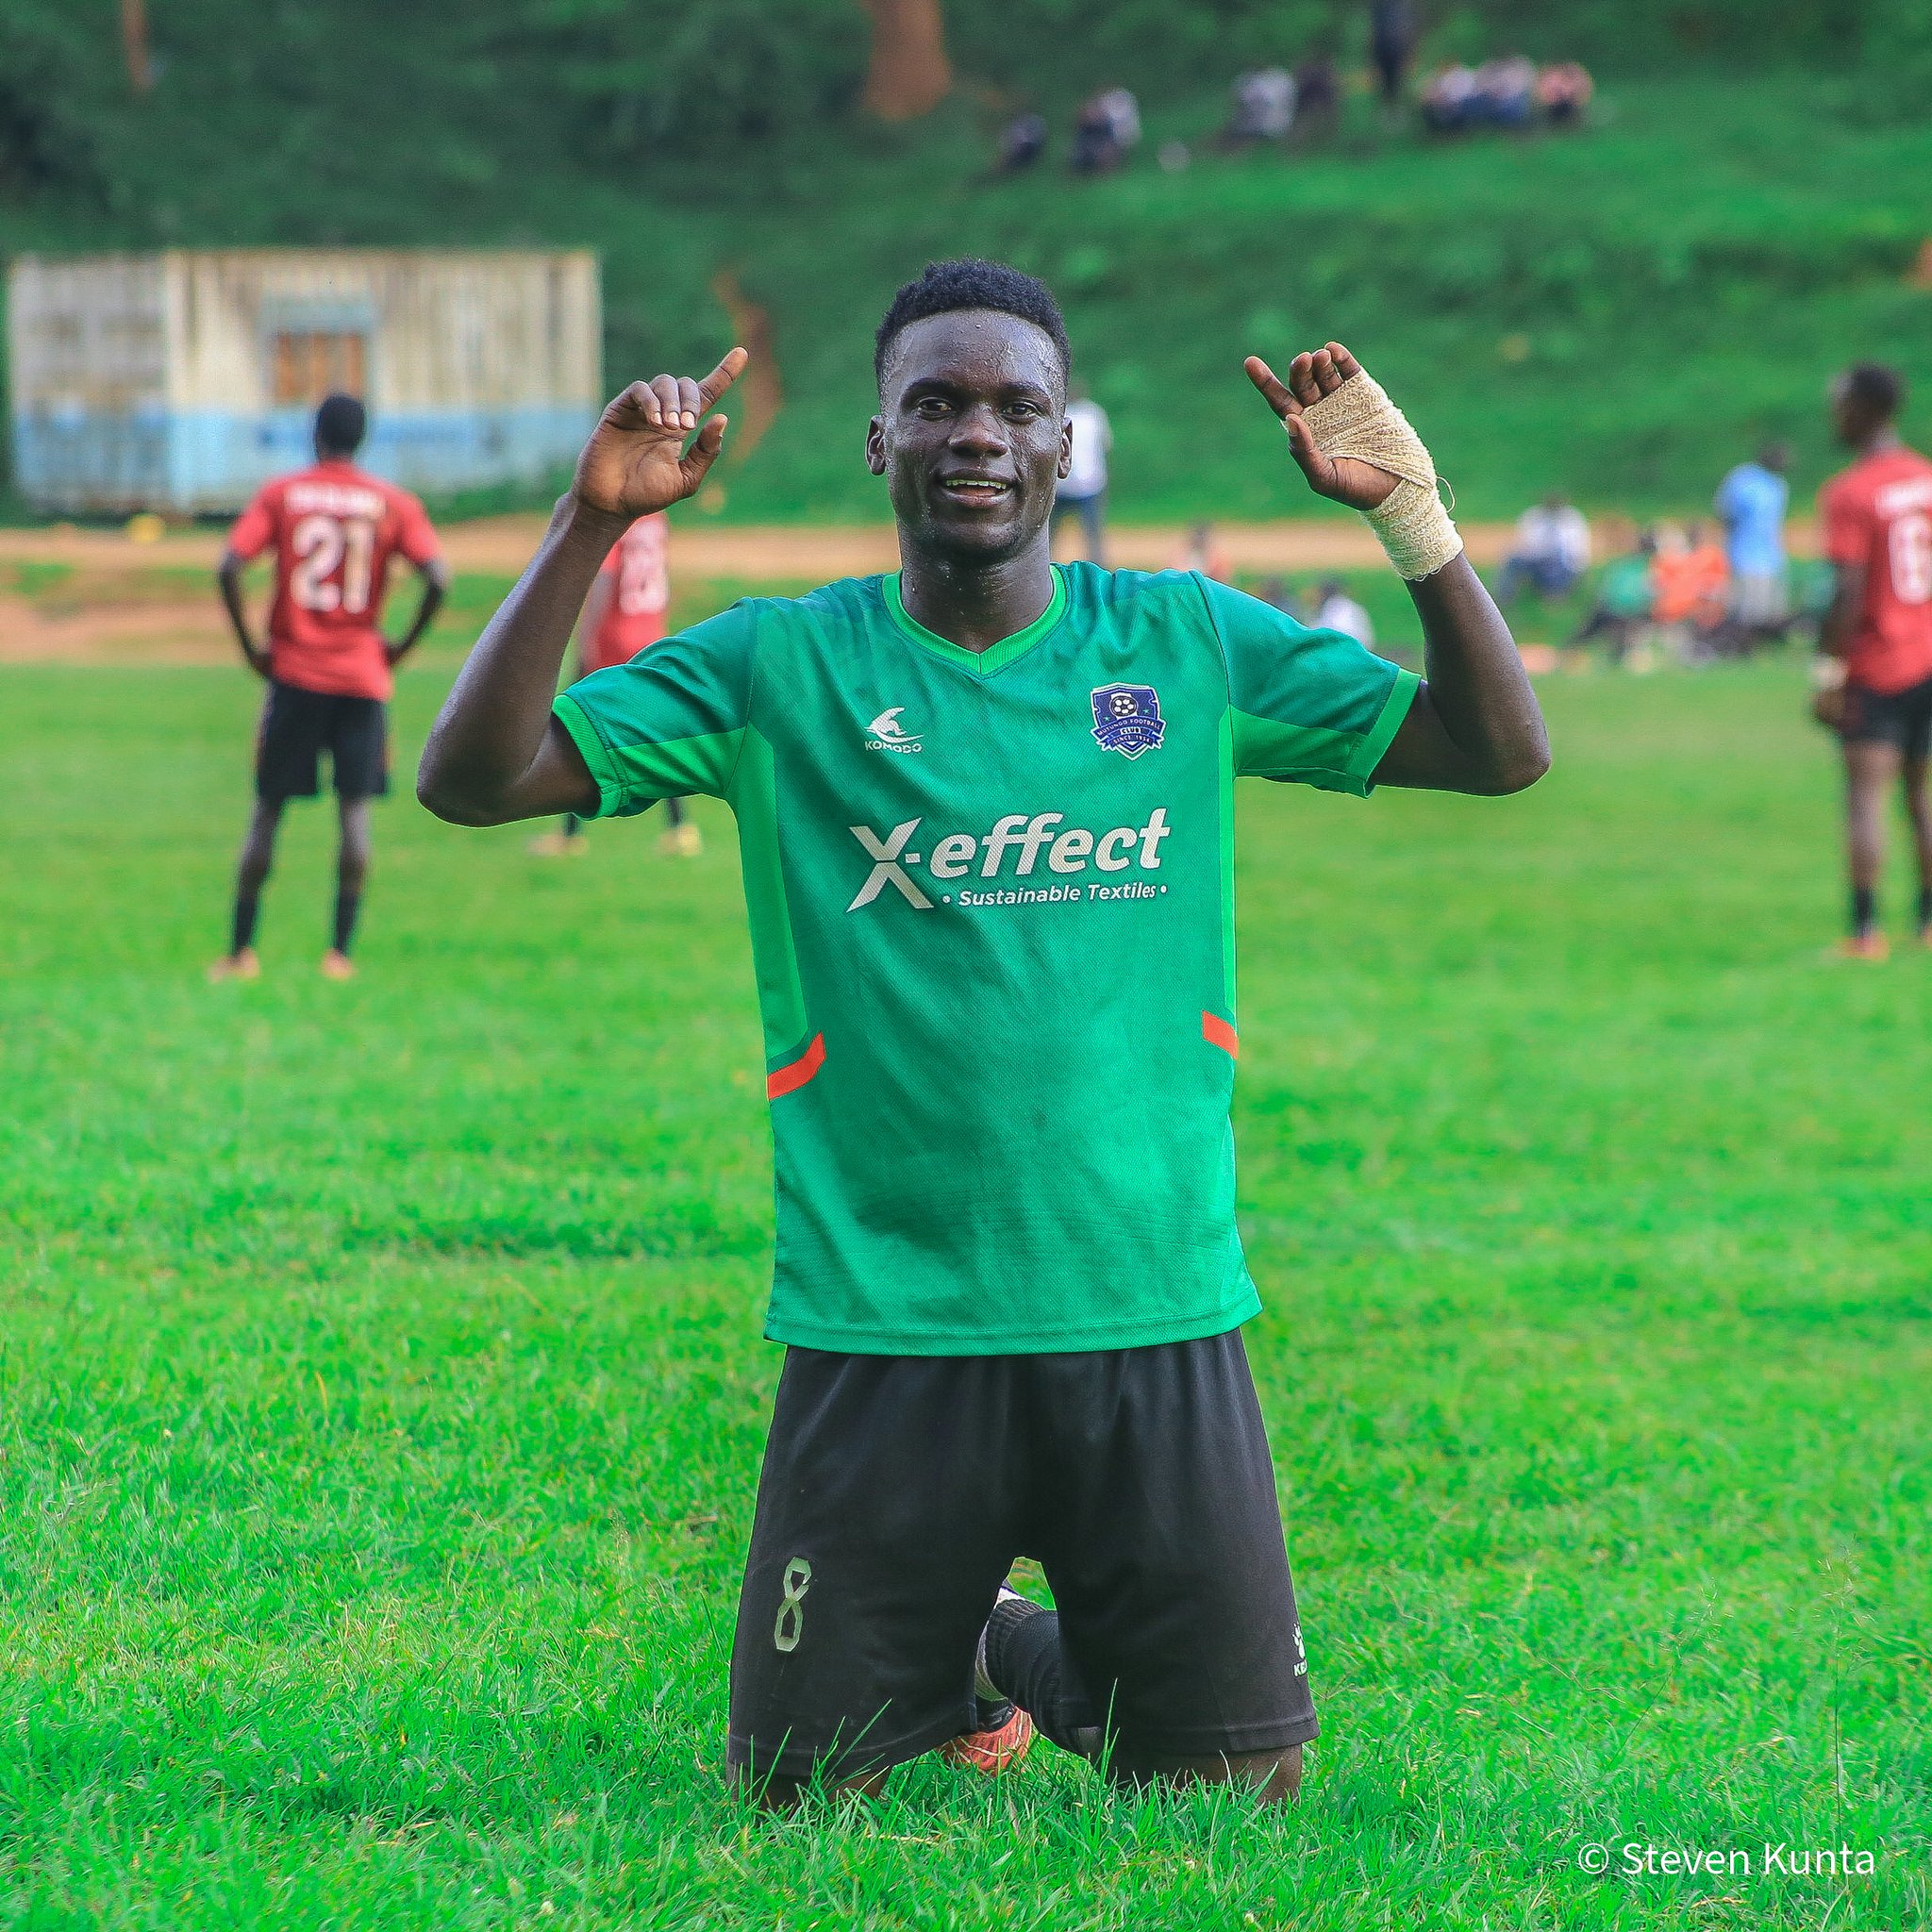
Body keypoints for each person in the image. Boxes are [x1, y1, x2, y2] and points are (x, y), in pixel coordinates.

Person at [417, 259, 1547, 1809]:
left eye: (1018, 406)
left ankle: (1004, 1639)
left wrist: (1409, 520)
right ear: (876, 444)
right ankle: (937, 1629)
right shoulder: (780, 665)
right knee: (810, 1796)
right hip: (888, 1323)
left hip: (1147, 1297)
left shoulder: (1184, 644)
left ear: (1062, 447)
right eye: (934, 403)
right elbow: (477, 778)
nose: (978, 434)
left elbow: (1496, 750)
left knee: (1237, 1794)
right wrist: (591, 521)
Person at [208, 393, 448, 982]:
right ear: (362, 440)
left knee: (267, 813)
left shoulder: (282, 494)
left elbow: (229, 566)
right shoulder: (392, 503)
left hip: (294, 676)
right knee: (355, 816)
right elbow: (438, 578)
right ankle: (339, 954)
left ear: (314, 435)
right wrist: (398, 648)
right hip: (362, 679)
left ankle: (241, 953)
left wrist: (249, 648)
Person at [1812, 363, 1932, 958]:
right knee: (1923, 795)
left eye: (1837, 402)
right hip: (1930, 655)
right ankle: (1928, 922)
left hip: (1881, 661)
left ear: (1863, 408)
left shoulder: (1852, 492)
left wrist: (1829, 672)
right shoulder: (1926, 477)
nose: (1832, 414)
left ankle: (1864, 933)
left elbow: (1849, 591)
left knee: (1867, 795)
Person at [529, 510, 699, 858]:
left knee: (569, 728)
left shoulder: (617, 513)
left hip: (614, 635)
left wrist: (587, 639)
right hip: (650, 632)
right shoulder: (657, 516)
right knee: (661, 734)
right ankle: (681, 829)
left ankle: (569, 834)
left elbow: (604, 580)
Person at [1714, 442, 1791, 641]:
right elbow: (1726, 512)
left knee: (1768, 609)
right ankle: (1740, 645)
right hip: (1745, 553)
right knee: (1746, 609)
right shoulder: (1743, 479)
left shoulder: (1778, 486)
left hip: (1770, 556)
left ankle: (1759, 646)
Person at [1051, 381, 1111, 563]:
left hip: (1089, 484)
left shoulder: (1094, 414)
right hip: (1062, 485)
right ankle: (1043, 565)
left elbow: (1104, 446)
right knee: (1048, 530)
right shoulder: (1060, 413)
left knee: (1093, 532)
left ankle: (1098, 567)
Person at [1496, 493, 1591, 604]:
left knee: (1558, 557)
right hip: (1536, 561)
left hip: (1563, 565)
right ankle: (1503, 599)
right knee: (1513, 560)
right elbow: (1524, 544)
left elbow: (1577, 551)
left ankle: (1555, 592)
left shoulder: (1572, 519)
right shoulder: (1534, 516)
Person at [1221, 67, 1295, 147]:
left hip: (1262, 125)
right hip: (1277, 125)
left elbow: (1244, 100)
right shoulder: (1279, 80)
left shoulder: (1259, 84)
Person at [1370, 1, 1416, 110]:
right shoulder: (1380, 9)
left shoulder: (1400, 9)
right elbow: (1375, 33)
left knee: (1396, 81)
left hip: (1396, 51)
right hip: (1384, 50)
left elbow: (1406, 30)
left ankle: (1395, 106)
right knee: (1386, 82)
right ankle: (1387, 106)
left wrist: (1408, 54)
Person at [1314, 577, 1374, 649]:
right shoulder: (1351, 605)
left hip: (1347, 644)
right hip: (1364, 645)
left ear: (1324, 593)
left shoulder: (1330, 606)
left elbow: (1323, 630)